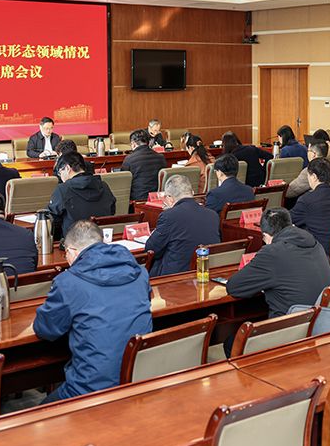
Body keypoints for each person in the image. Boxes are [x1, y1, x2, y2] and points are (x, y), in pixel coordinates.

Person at [33, 220, 151, 401]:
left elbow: (45, 329)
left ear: (72, 251)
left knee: (40, 413)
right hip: (138, 377)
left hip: (91, 388)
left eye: (66, 254)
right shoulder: (139, 272)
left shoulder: (68, 282)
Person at [225, 207, 330, 356]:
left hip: (288, 334)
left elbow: (233, 287)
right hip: (322, 326)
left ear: (266, 235)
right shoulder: (315, 244)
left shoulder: (272, 252)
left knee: (231, 343)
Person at [144, 174, 220, 276]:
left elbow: (151, 249)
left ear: (169, 198)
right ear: (192, 193)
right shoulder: (213, 215)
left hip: (174, 277)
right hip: (205, 272)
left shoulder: (169, 216)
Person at [289, 158, 330, 253]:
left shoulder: (307, 200)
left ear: (314, 176)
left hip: (317, 253)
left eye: (308, 175)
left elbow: (288, 219)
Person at [48, 150, 116, 236]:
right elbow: (112, 210)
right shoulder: (103, 185)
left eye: (60, 172)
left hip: (75, 240)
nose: (60, 177)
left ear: (67, 168)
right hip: (102, 237)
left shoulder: (63, 189)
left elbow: (51, 219)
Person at [121, 128, 168, 204]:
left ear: (133, 144)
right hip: (157, 200)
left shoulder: (129, 159)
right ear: (148, 142)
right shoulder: (160, 157)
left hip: (137, 201)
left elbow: (123, 182)